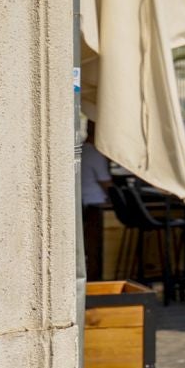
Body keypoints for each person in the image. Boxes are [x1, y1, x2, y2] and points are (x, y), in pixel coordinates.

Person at [82, 121, 112, 282]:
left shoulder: (80, 150)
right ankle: (97, 276)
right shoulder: (95, 154)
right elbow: (106, 183)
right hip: (95, 204)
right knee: (95, 248)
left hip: (83, 202)